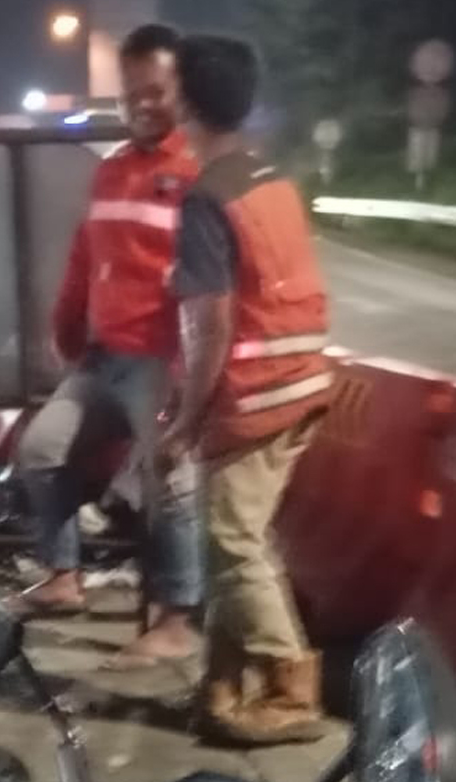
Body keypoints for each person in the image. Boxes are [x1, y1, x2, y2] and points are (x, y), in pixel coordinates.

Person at [13, 22, 207, 670]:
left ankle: (176, 618)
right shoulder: (113, 171)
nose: (142, 104)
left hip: (162, 361)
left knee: (170, 479)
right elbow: (85, 257)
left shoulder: (199, 173)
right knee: (40, 452)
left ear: (183, 89)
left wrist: (188, 374)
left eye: (156, 91)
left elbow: (215, 288)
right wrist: (67, 329)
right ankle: (63, 575)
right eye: (132, 93)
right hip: (103, 357)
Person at [161, 34, 337, 745]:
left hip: (254, 397)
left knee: (231, 542)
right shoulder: (272, 180)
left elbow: (211, 326)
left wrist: (184, 420)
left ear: (185, 103)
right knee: (237, 543)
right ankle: (224, 688)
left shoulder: (208, 198)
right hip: (299, 386)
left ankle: (293, 689)